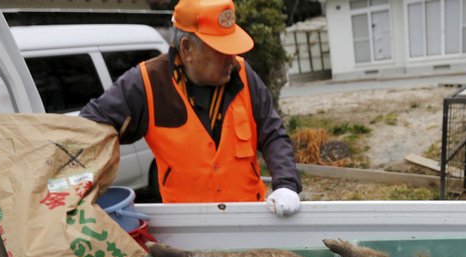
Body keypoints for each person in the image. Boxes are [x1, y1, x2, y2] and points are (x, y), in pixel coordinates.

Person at [80, 0, 301, 216]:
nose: (232, 60)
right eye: (222, 51)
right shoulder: (148, 83)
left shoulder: (243, 74)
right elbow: (88, 129)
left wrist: (286, 184)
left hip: (247, 215)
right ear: (187, 49)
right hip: (185, 223)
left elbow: (273, 134)